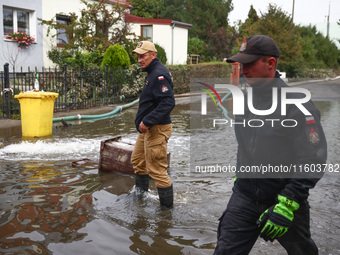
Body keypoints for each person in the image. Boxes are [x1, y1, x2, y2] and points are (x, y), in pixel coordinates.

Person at [214, 35, 327, 254]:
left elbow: (314, 158)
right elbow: (245, 145)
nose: (243, 70)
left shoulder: (298, 105)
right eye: (241, 65)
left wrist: (288, 202)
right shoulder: (245, 101)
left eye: (249, 64)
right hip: (245, 196)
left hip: (284, 198)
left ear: (270, 63)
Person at [131, 41, 175, 208]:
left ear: (153, 55)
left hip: (155, 129)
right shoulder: (152, 72)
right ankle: (141, 197)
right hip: (147, 130)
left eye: (143, 56)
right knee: (138, 160)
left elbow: (168, 102)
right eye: (138, 56)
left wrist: (147, 121)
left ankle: (166, 212)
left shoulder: (158, 74)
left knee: (157, 170)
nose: (139, 60)